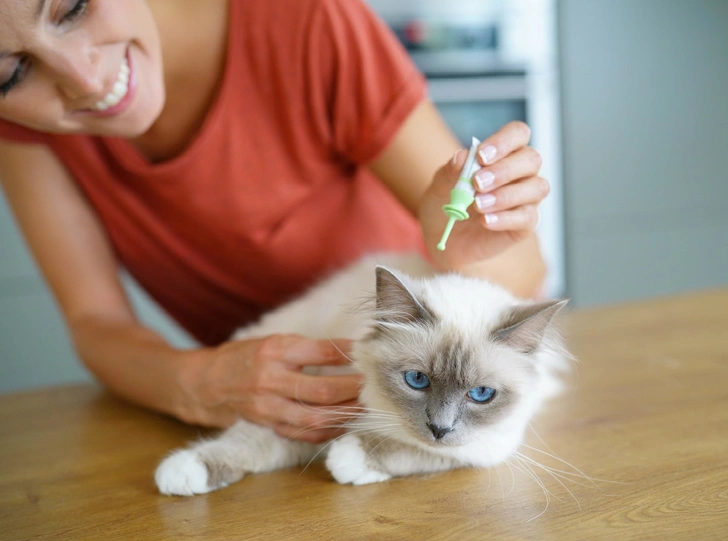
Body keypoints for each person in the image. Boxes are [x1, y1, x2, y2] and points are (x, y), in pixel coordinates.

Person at [0, 0, 550, 442]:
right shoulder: (27, 135)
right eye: (11, 72)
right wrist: (196, 383)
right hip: (276, 424)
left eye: (72, 9)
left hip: (417, 409)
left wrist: (460, 248)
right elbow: (96, 322)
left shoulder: (304, 20)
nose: (85, 79)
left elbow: (525, 275)